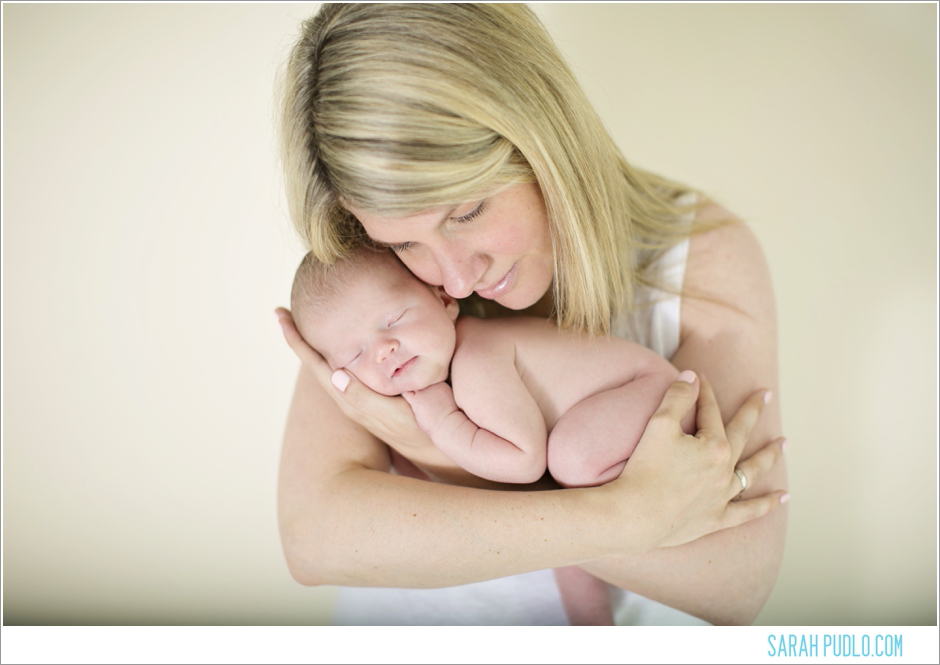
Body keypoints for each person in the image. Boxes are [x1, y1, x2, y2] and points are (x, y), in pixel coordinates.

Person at [274, 3, 788, 626]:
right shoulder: (373, 277)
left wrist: (435, 451)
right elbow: (315, 539)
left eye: (466, 213)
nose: (455, 278)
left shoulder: (698, 255)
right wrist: (628, 515)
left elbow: (733, 580)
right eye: (405, 243)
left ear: (541, 133)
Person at [290, 244, 699, 624]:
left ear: (445, 301)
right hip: (629, 407)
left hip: (648, 394)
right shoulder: (447, 368)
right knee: (560, 529)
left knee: (569, 469)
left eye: (394, 319)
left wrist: (443, 423)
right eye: (355, 355)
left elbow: (523, 463)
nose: (383, 349)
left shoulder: (476, 359)